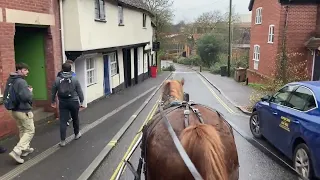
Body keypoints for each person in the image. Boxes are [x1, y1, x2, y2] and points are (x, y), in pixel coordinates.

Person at [3, 63, 34, 164]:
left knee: (22, 129)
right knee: (30, 131)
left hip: (14, 110)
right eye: (25, 70)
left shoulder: (10, 80)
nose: (27, 72)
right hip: (23, 110)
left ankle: (25, 149)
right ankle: (17, 151)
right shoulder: (21, 82)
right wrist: (30, 91)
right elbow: (26, 97)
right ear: (19, 70)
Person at [51, 62, 84, 147]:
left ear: (62, 69)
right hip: (74, 102)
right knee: (75, 118)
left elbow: (53, 92)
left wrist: (53, 101)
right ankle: (77, 134)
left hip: (63, 103)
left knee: (63, 121)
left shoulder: (58, 79)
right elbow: (79, 91)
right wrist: (82, 100)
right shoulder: (74, 78)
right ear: (70, 69)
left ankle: (62, 141)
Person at [57, 60, 76, 126]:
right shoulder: (72, 74)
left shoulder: (59, 74)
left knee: (65, 108)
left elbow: (57, 82)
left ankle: (67, 119)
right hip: (69, 93)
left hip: (62, 94)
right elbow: (75, 82)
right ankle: (67, 119)